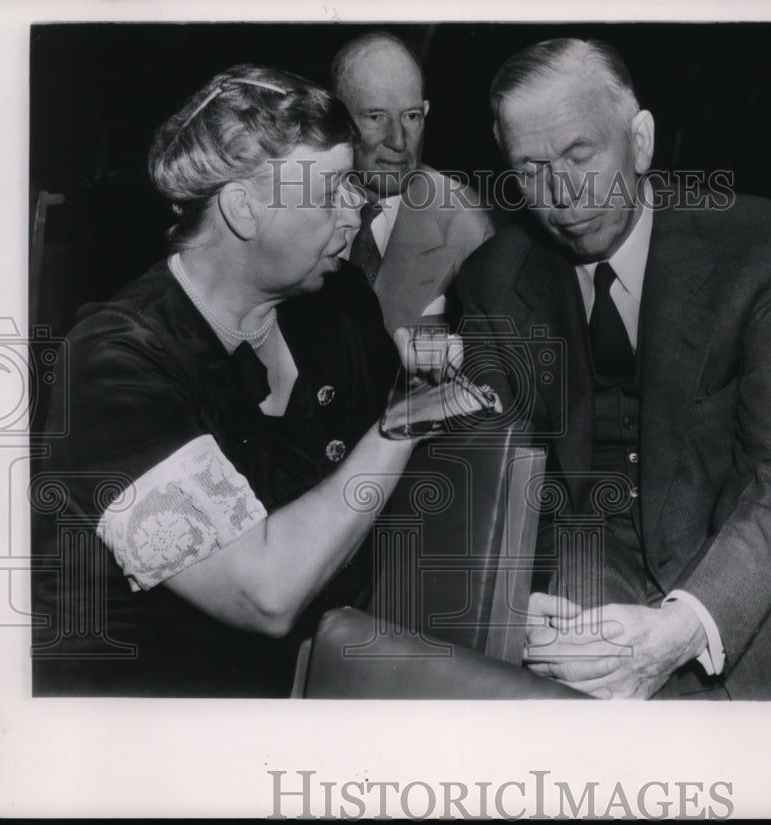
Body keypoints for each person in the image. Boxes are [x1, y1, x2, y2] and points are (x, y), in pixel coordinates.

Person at [31, 64, 490, 697]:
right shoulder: (112, 367)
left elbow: (394, 511)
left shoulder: (339, 303)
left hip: (314, 682)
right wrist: (400, 423)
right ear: (244, 210)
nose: (358, 206)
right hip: (143, 721)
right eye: (330, 192)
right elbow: (266, 593)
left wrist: (430, 390)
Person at [454, 39, 771, 700]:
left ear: (640, 141)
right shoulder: (492, 279)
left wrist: (688, 623)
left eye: (581, 154)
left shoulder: (761, 246)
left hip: (747, 587)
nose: (563, 194)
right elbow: (492, 481)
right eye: (530, 167)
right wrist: (510, 602)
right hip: (584, 580)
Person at [330, 31, 495, 333]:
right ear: (338, 118)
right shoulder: (292, 205)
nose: (398, 141)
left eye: (411, 116)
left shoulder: (465, 224)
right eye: (375, 116)